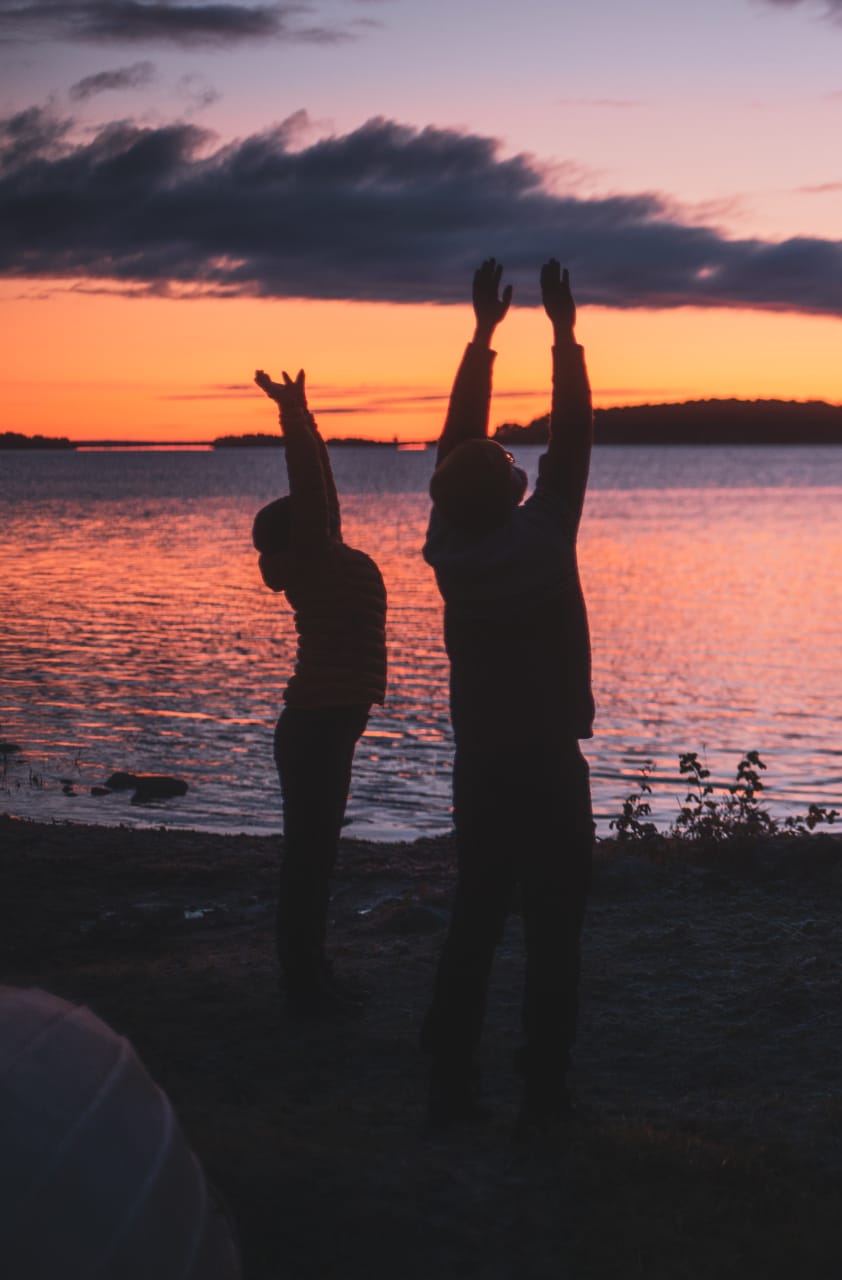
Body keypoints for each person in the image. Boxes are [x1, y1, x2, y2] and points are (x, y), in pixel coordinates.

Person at [419, 258, 596, 1135]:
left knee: (476, 922)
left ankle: (451, 1082)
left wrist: (484, 339)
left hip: (483, 765)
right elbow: (573, 439)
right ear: (516, 493)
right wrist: (563, 336)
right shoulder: (546, 535)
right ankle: (544, 1088)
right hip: (549, 765)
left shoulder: (449, 547)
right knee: (554, 933)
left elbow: (457, 449)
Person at [252, 367, 387, 1019]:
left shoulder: (325, 556)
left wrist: (306, 411)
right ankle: (304, 981)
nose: (328, 519)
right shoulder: (316, 563)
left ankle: (310, 973)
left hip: (328, 725)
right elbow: (310, 489)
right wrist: (291, 418)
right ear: (299, 537)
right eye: (313, 523)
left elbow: (322, 493)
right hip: (315, 729)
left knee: (316, 855)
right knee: (310, 859)